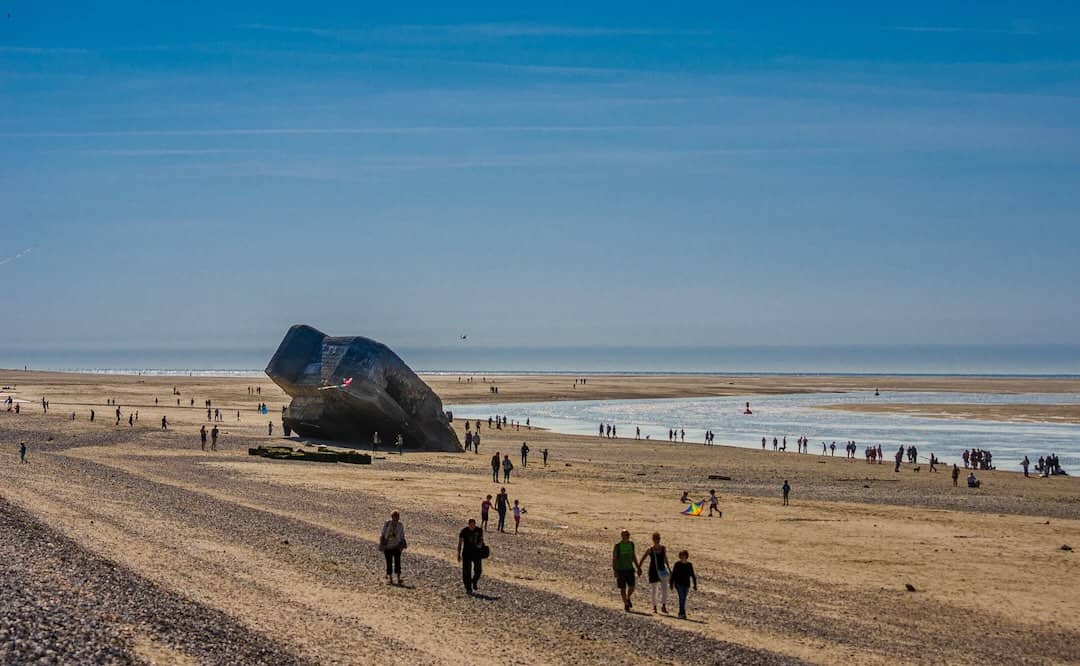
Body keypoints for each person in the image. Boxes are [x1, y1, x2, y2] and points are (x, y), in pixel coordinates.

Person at [638, 532, 671, 614]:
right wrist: (639, 568)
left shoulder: (663, 548)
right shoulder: (650, 549)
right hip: (653, 571)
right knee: (654, 589)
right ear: (653, 539)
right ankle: (655, 607)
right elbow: (643, 558)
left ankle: (663, 605)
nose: (657, 540)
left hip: (662, 570)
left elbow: (665, 559)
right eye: (655, 539)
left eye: (658, 538)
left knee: (665, 589)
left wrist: (669, 569)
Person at [612, 530, 641, 612]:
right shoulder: (617, 546)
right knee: (622, 588)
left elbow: (633, 556)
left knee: (632, 587)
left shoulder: (631, 544)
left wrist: (638, 567)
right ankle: (626, 604)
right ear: (622, 536)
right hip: (621, 569)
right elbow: (614, 559)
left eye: (628, 534)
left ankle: (628, 598)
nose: (627, 536)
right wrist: (615, 570)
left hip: (630, 569)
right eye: (625, 535)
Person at [457, 518, 485, 594]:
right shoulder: (464, 531)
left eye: (473, 525)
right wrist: (458, 554)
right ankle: (468, 588)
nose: (472, 526)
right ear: (468, 524)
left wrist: (481, 546)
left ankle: (474, 581)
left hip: (476, 553)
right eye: (471, 525)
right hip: (466, 554)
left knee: (478, 570)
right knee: (466, 572)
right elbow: (460, 543)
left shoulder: (479, 530)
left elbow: (481, 540)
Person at [379, 510, 406, 585]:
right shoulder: (387, 524)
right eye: (394, 518)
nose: (396, 520)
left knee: (398, 562)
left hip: (396, 546)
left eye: (397, 518)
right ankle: (390, 578)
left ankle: (398, 578)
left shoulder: (400, 525)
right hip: (387, 547)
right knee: (389, 562)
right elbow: (383, 534)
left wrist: (402, 545)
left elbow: (402, 535)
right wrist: (382, 544)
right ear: (392, 517)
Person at [669, 550, 698, 619]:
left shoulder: (689, 565)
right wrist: (671, 584)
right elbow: (673, 574)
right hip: (679, 584)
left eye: (684, 555)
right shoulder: (677, 564)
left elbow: (693, 575)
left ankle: (682, 613)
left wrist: (695, 585)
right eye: (681, 555)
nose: (683, 557)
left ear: (686, 556)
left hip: (686, 584)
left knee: (683, 599)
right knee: (681, 598)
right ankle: (681, 613)